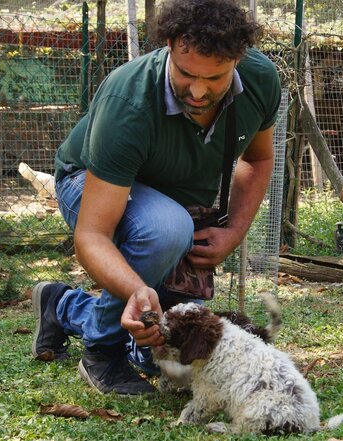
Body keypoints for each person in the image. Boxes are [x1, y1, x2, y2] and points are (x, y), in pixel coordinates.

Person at [31, 0, 281, 395]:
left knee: (160, 344)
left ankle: (62, 306)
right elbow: (92, 235)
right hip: (90, 184)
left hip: (175, 200)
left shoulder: (261, 79)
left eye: (215, 78)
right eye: (185, 74)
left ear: (239, 59)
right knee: (165, 229)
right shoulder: (126, 101)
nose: (198, 91)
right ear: (168, 44)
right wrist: (135, 290)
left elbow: (259, 157)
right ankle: (102, 351)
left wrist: (234, 230)